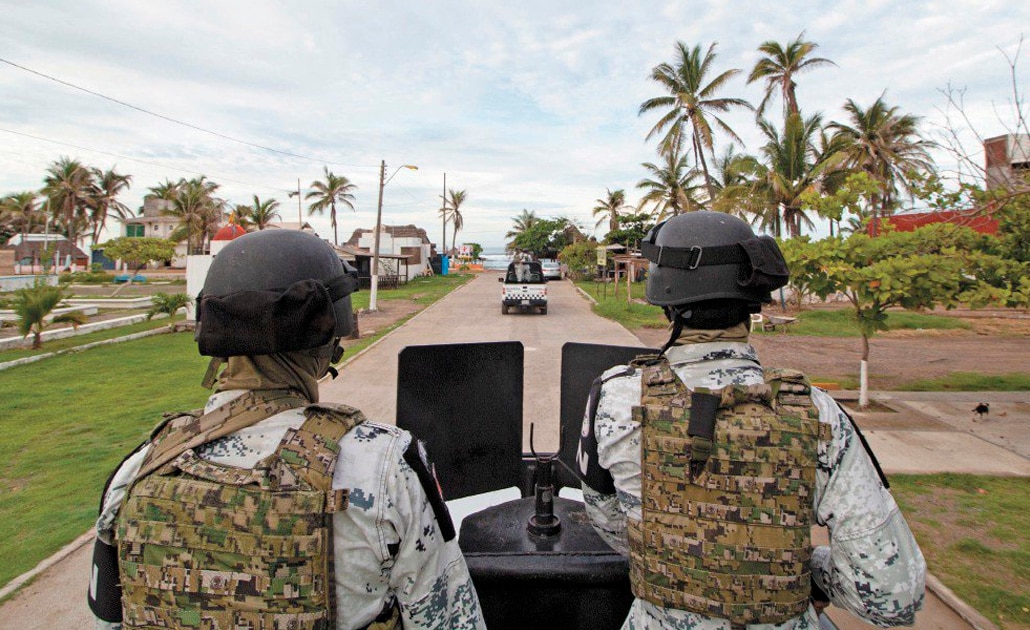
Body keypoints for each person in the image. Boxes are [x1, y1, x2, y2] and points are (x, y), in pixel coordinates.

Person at [89, 229, 485, 630]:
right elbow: (451, 619)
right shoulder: (384, 467)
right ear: (325, 332)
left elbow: (109, 620)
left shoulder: (139, 470)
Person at [576, 211, 925, 629]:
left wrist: (680, 559)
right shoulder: (817, 412)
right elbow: (891, 595)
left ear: (665, 301)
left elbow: (607, 517)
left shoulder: (615, 396)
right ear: (753, 300)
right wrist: (801, 569)